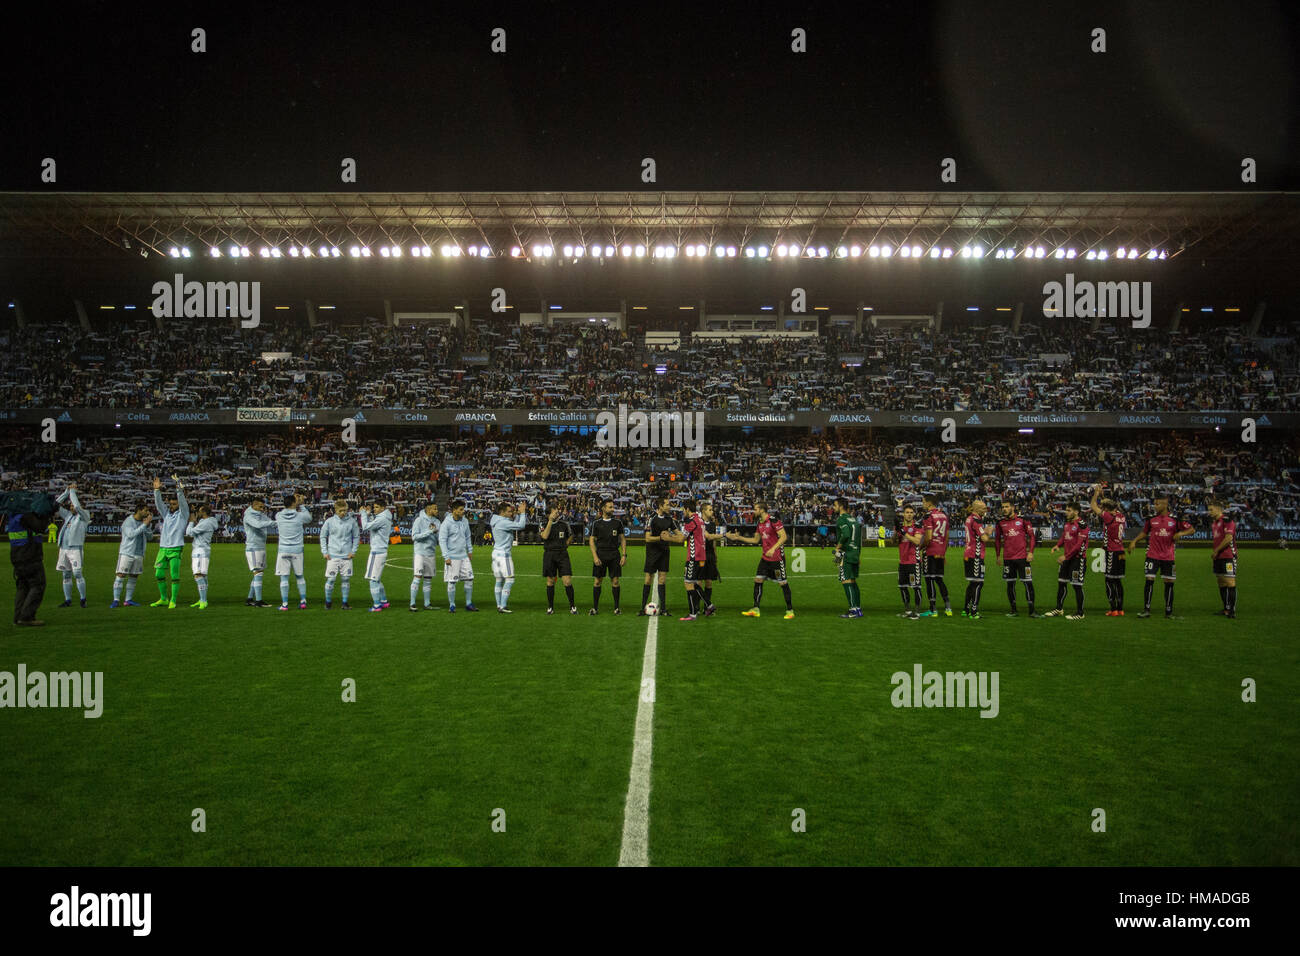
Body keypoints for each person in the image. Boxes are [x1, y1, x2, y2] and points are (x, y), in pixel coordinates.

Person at [1129, 496, 1194, 619]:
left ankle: (1169, 612)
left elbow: (1191, 530)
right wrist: (1134, 541)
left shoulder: (1175, 519)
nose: (1155, 506)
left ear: (1165, 505)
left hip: (1168, 557)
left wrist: (1181, 533)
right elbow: (1144, 532)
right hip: (1152, 555)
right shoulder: (1151, 519)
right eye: (1154, 504)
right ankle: (1146, 609)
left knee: (1169, 583)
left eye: (1157, 504)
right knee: (1149, 580)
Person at [728, 500, 794, 620]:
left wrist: (773, 549)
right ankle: (756, 608)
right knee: (758, 580)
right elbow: (755, 540)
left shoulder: (774, 520)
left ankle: (790, 610)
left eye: (756, 509)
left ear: (762, 510)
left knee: (782, 583)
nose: (754, 511)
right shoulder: (760, 523)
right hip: (765, 559)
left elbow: (784, 537)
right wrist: (739, 538)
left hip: (777, 559)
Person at [8, 501, 53, 627]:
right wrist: (46, 513)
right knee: (38, 585)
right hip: (30, 555)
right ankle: (26, 617)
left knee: (23, 586)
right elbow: (40, 527)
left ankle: (18, 617)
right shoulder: (26, 516)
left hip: (17, 557)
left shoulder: (12, 517)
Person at [994, 500, 1040, 618]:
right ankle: (1013, 610)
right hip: (1008, 559)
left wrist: (1031, 552)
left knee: (1028, 584)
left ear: (1013, 508)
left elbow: (1032, 536)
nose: (1004, 509)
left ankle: (1032, 611)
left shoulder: (1023, 520)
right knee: (1010, 584)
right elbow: (997, 540)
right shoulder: (1000, 523)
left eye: (1007, 507)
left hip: (1022, 558)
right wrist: (998, 555)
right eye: (1003, 507)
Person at [1089, 485, 1128, 616]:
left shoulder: (1108, 517)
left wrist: (1095, 494)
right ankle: (1120, 608)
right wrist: (1102, 495)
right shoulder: (1121, 516)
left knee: (1109, 580)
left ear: (1106, 509)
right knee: (1118, 581)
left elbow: (1093, 505)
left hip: (1112, 551)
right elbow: (1109, 505)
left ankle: (1113, 609)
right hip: (1121, 551)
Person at [151, 475, 189, 609]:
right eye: (171, 504)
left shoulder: (183, 514)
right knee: (159, 574)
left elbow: (183, 502)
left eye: (174, 504)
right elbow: (159, 504)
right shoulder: (167, 514)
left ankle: (173, 600)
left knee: (174, 576)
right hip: (163, 548)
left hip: (176, 548)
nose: (172, 506)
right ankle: (163, 598)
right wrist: (156, 491)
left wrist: (178, 488)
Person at [1046, 503, 1088, 619]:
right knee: (1061, 583)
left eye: (1069, 510)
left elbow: (1079, 545)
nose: (1066, 512)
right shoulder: (1067, 524)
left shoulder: (1082, 525)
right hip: (1067, 559)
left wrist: (1066, 556)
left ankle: (1080, 613)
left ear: (1076, 512)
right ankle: (1059, 609)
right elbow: (1064, 536)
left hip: (1077, 559)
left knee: (1076, 586)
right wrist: (1058, 545)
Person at [54, 483, 91, 609]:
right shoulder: (69, 516)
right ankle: (68, 600)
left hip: (75, 549)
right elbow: (55, 505)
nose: (71, 507)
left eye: (72, 505)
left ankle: (83, 599)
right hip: (64, 549)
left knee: (77, 574)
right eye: (70, 506)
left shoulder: (84, 516)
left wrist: (73, 492)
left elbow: (77, 506)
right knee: (66, 575)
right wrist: (66, 492)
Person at [274, 492, 312, 610]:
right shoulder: (300, 516)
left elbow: (286, 510)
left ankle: (285, 604)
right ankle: (303, 601)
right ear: (294, 504)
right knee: (300, 576)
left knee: (284, 577)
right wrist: (301, 505)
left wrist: (295, 503)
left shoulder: (278, 515)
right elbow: (309, 518)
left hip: (283, 550)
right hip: (297, 550)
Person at [588, 499, 626, 615]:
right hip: (601, 555)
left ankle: (616, 608)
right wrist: (595, 556)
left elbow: (623, 539)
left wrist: (624, 555)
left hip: (614, 555)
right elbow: (591, 540)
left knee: (615, 581)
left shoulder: (618, 523)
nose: (612, 509)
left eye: (612, 507)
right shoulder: (596, 523)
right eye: (610, 507)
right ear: (603, 508)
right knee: (597, 581)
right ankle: (595, 608)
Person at [439, 499, 478, 612]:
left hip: (464, 556)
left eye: (463, 509)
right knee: (452, 581)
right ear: (454, 510)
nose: (463, 511)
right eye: (461, 509)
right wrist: (446, 556)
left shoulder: (464, 521)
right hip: (452, 557)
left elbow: (467, 536)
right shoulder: (446, 523)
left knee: (469, 579)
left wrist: (469, 550)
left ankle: (469, 603)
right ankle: (452, 605)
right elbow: (442, 540)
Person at [321, 499, 360, 610]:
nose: (343, 513)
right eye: (341, 511)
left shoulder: (352, 521)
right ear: (336, 510)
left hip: (346, 556)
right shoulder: (329, 521)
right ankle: (328, 602)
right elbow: (323, 536)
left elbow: (356, 537)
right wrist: (324, 551)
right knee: (331, 580)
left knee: (346, 579)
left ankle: (345, 603)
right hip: (332, 556)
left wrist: (353, 551)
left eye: (345, 510)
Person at [489, 502, 528, 613]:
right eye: (509, 511)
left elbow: (513, 523)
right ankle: (503, 605)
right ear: (502, 512)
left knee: (499, 579)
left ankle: (498, 605)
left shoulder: (496, 520)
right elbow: (521, 525)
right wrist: (523, 513)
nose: (511, 513)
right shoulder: (503, 522)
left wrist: (517, 515)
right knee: (510, 579)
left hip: (496, 553)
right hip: (504, 555)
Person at [540, 503, 578, 615]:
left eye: (557, 511)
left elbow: (571, 535)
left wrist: (567, 543)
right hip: (549, 554)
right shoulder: (543, 523)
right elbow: (545, 536)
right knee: (550, 581)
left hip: (562, 554)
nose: (557, 513)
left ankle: (572, 606)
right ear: (548, 514)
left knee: (567, 581)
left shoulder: (564, 524)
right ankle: (550, 607)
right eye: (554, 511)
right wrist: (550, 521)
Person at [918, 493, 952, 618]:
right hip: (941, 551)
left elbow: (928, 537)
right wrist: (943, 552)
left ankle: (933, 609)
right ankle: (948, 608)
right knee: (939, 579)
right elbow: (947, 537)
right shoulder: (943, 515)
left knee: (929, 579)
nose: (923, 504)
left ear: (929, 503)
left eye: (923, 502)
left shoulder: (928, 516)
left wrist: (920, 548)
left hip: (930, 551)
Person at [111, 503, 151, 608]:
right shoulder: (128, 522)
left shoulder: (144, 523)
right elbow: (131, 534)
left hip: (139, 553)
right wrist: (144, 525)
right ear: (139, 510)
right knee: (121, 575)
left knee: (134, 576)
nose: (147, 513)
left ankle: (128, 600)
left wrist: (147, 527)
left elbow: (150, 537)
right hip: (127, 553)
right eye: (146, 510)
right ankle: (116, 600)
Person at [641, 495, 675, 616]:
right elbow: (647, 538)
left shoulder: (669, 519)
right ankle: (642, 608)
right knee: (648, 579)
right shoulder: (651, 518)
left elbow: (678, 534)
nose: (669, 507)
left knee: (662, 579)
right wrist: (661, 538)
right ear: (660, 506)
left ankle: (664, 609)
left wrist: (674, 537)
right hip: (652, 552)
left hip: (664, 552)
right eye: (667, 504)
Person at [358, 499, 394, 612]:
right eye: (374, 507)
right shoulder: (385, 517)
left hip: (377, 551)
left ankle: (377, 605)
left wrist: (363, 514)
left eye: (377, 507)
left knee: (373, 580)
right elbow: (372, 525)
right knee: (377, 579)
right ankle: (383, 601)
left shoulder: (382, 518)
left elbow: (365, 527)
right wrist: (369, 515)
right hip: (381, 550)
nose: (375, 509)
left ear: (383, 508)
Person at [961, 499, 994, 619]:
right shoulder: (976, 520)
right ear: (976, 509)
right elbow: (984, 538)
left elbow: (976, 534)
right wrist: (989, 532)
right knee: (978, 583)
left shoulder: (969, 518)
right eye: (983, 508)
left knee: (972, 583)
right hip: (975, 555)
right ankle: (974, 611)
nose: (985, 510)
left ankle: (966, 609)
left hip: (969, 554)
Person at [832, 498, 864, 619]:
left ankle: (853, 610)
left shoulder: (842, 519)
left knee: (846, 580)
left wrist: (837, 547)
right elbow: (858, 539)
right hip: (855, 552)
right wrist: (858, 555)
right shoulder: (853, 519)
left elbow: (845, 534)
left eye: (835, 505)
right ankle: (858, 609)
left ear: (840, 506)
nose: (833, 508)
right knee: (853, 581)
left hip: (846, 553)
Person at [242, 497, 275, 607]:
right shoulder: (249, 516)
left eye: (263, 507)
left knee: (258, 573)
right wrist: (270, 523)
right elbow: (258, 524)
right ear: (253, 505)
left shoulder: (260, 515)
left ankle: (250, 599)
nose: (262, 509)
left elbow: (270, 523)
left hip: (260, 546)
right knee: (258, 573)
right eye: (260, 507)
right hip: (253, 547)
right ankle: (259, 601)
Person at [1208, 499, 1238, 619]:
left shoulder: (1227, 521)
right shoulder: (1214, 523)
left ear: (1218, 509)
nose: (1209, 512)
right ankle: (1226, 608)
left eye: (1211, 509)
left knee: (1230, 582)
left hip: (1228, 556)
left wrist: (1216, 551)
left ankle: (1232, 611)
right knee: (1221, 582)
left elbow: (1229, 538)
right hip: (1218, 557)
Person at [408, 501, 440, 611]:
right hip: (420, 553)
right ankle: (412, 604)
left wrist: (435, 534)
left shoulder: (437, 522)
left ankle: (427, 604)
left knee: (428, 579)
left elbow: (437, 539)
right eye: (435, 508)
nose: (437, 510)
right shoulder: (419, 520)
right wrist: (429, 532)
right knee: (417, 577)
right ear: (428, 509)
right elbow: (414, 537)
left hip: (431, 553)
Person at [185, 504, 219, 609]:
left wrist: (191, 522)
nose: (198, 513)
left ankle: (203, 600)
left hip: (199, 550)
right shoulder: (207, 522)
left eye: (199, 511)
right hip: (204, 550)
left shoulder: (206, 523)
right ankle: (202, 599)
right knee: (203, 575)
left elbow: (189, 533)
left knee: (198, 575)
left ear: (204, 512)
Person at [896, 505, 924, 619]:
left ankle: (916, 612)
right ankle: (907, 610)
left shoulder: (917, 526)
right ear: (903, 514)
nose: (909, 514)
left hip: (913, 562)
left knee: (916, 587)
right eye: (907, 512)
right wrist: (896, 530)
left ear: (914, 514)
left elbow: (917, 541)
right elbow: (894, 541)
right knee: (902, 586)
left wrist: (904, 532)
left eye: (911, 512)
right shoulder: (901, 527)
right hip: (902, 562)